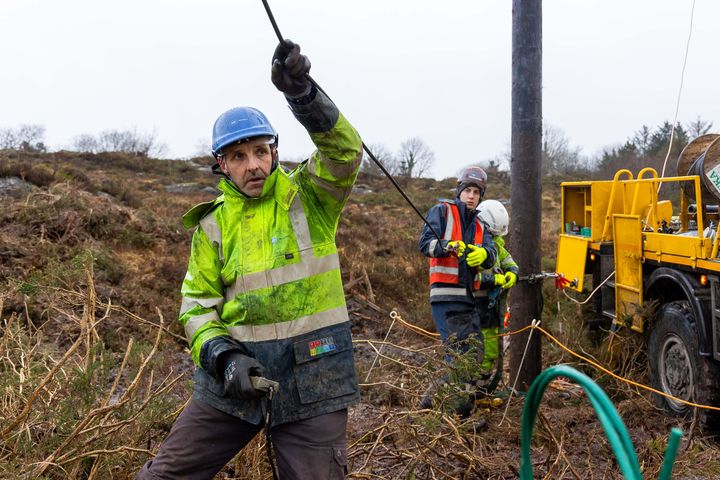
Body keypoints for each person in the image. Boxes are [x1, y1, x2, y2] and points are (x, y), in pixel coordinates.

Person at [137, 40, 363, 480]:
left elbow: (344, 153)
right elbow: (197, 308)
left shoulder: (311, 197)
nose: (253, 165)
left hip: (316, 379)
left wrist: (303, 96)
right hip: (235, 380)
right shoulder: (211, 227)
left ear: (275, 152)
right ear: (221, 165)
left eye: (260, 151)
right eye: (239, 157)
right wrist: (224, 358)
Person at [417, 166, 497, 416]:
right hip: (446, 296)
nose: (471, 196)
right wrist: (448, 246)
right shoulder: (441, 211)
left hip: (468, 300)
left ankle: (439, 406)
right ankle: (452, 411)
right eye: (468, 191)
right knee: (462, 354)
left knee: (473, 353)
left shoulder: (481, 224)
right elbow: (424, 244)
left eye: (476, 192)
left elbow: (491, 253)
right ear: (459, 191)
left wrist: (484, 254)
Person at [475, 199, 518, 379]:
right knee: (479, 353)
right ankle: (474, 394)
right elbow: (471, 278)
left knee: (491, 352)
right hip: (476, 306)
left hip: (491, 307)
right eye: (491, 234)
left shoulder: (496, 244)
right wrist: (493, 279)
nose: (493, 238)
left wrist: (512, 273)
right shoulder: (475, 245)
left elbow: (509, 261)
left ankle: (482, 392)